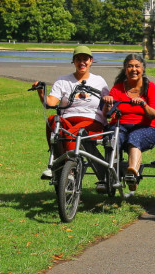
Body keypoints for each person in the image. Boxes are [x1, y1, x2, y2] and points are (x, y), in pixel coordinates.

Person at [34, 45, 109, 190]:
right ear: (73, 61)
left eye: (85, 59)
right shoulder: (63, 81)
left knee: (74, 132)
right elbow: (50, 103)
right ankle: (57, 162)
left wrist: (109, 105)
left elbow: (107, 103)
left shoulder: (99, 81)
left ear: (91, 61)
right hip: (68, 119)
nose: (82, 62)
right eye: (78, 59)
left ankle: (69, 168)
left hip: (91, 122)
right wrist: (41, 92)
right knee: (51, 121)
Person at [102, 54, 155, 192]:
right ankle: (111, 176)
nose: (133, 69)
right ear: (125, 69)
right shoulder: (117, 89)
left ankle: (132, 174)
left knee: (135, 138)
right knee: (111, 140)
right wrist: (107, 103)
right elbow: (106, 114)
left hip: (147, 127)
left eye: (137, 66)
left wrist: (143, 104)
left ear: (143, 69)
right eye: (130, 66)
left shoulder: (150, 88)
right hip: (120, 126)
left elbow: (154, 114)